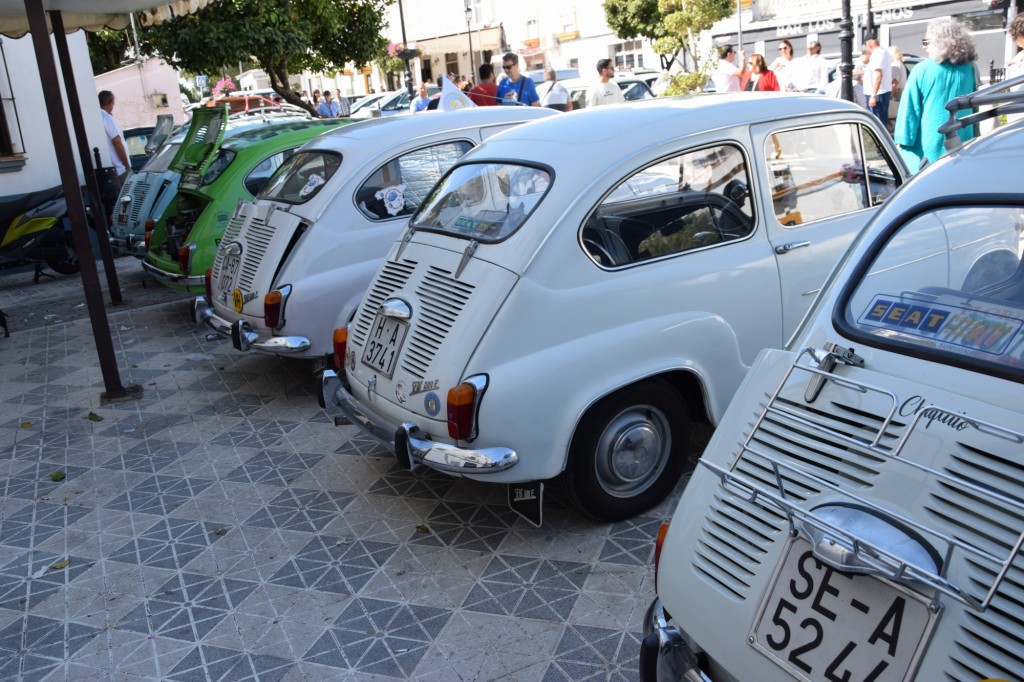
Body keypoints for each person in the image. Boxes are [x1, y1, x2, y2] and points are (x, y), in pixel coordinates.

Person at [895, 18, 978, 171]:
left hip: (930, 147)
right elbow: (975, 106)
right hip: (964, 141)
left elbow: (909, 111)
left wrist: (902, 140)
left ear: (939, 42)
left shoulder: (922, 69)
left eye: (926, 42)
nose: (924, 47)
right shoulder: (971, 69)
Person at [98, 90, 131, 185]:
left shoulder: (97, 117)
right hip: (120, 169)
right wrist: (127, 166)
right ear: (110, 103)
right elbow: (117, 143)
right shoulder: (107, 118)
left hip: (109, 169)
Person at [864, 37, 894, 126]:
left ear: (869, 44)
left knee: (877, 123)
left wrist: (873, 96)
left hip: (878, 93)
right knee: (880, 121)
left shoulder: (878, 54)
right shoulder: (883, 52)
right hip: (880, 91)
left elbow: (878, 76)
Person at [888, 46, 908, 130]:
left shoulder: (895, 65)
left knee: (893, 112)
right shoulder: (901, 64)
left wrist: (890, 93)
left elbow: (894, 82)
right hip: (901, 90)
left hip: (897, 92)